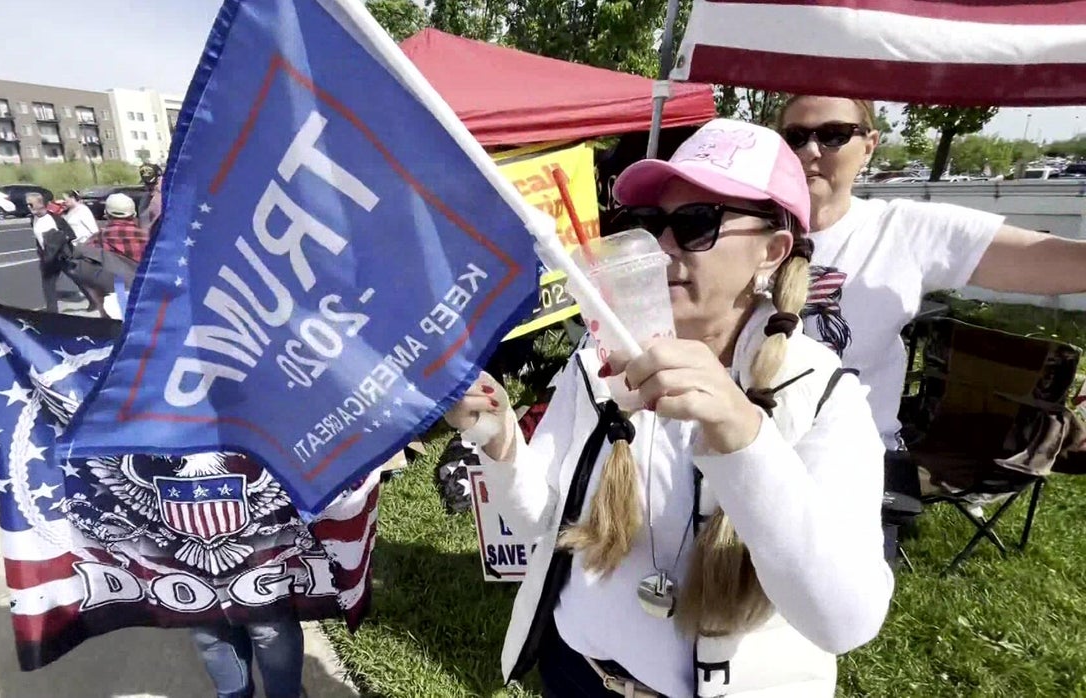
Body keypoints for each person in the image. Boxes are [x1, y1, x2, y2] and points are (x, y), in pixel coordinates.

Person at [447, 119, 892, 697]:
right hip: (576, 676)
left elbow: (845, 622)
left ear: (772, 251)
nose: (661, 247)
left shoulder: (821, 392)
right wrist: (501, 435)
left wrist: (742, 435)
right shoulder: (602, 353)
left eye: (696, 225)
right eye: (651, 224)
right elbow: (543, 522)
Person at [775, 96, 1086, 452]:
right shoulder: (735, 226)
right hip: (737, 455)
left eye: (833, 134)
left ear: (869, 147)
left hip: (849, 459)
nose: (810, 150)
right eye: (795, 137)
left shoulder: (902, 229)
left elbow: (1050, 262)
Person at [27, 192, 105, 315]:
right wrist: (42, 252)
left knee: (77, 278)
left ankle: (93, 300)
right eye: (27, 204)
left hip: (61, 257)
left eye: (31, 204)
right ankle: (53, 313)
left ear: (40, 204)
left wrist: (58, 241)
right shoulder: (33, 219)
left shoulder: (55, 219)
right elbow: (38, 239)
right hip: (47, 258)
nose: (29, 207)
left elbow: (70, 234)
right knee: (48, 286)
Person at [82, 193, 149, 287]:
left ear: (106, 214)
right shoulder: (149, 238)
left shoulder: (96, 239)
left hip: (113, 293)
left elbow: (86, 270)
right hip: (142, 292)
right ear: (134, 214)